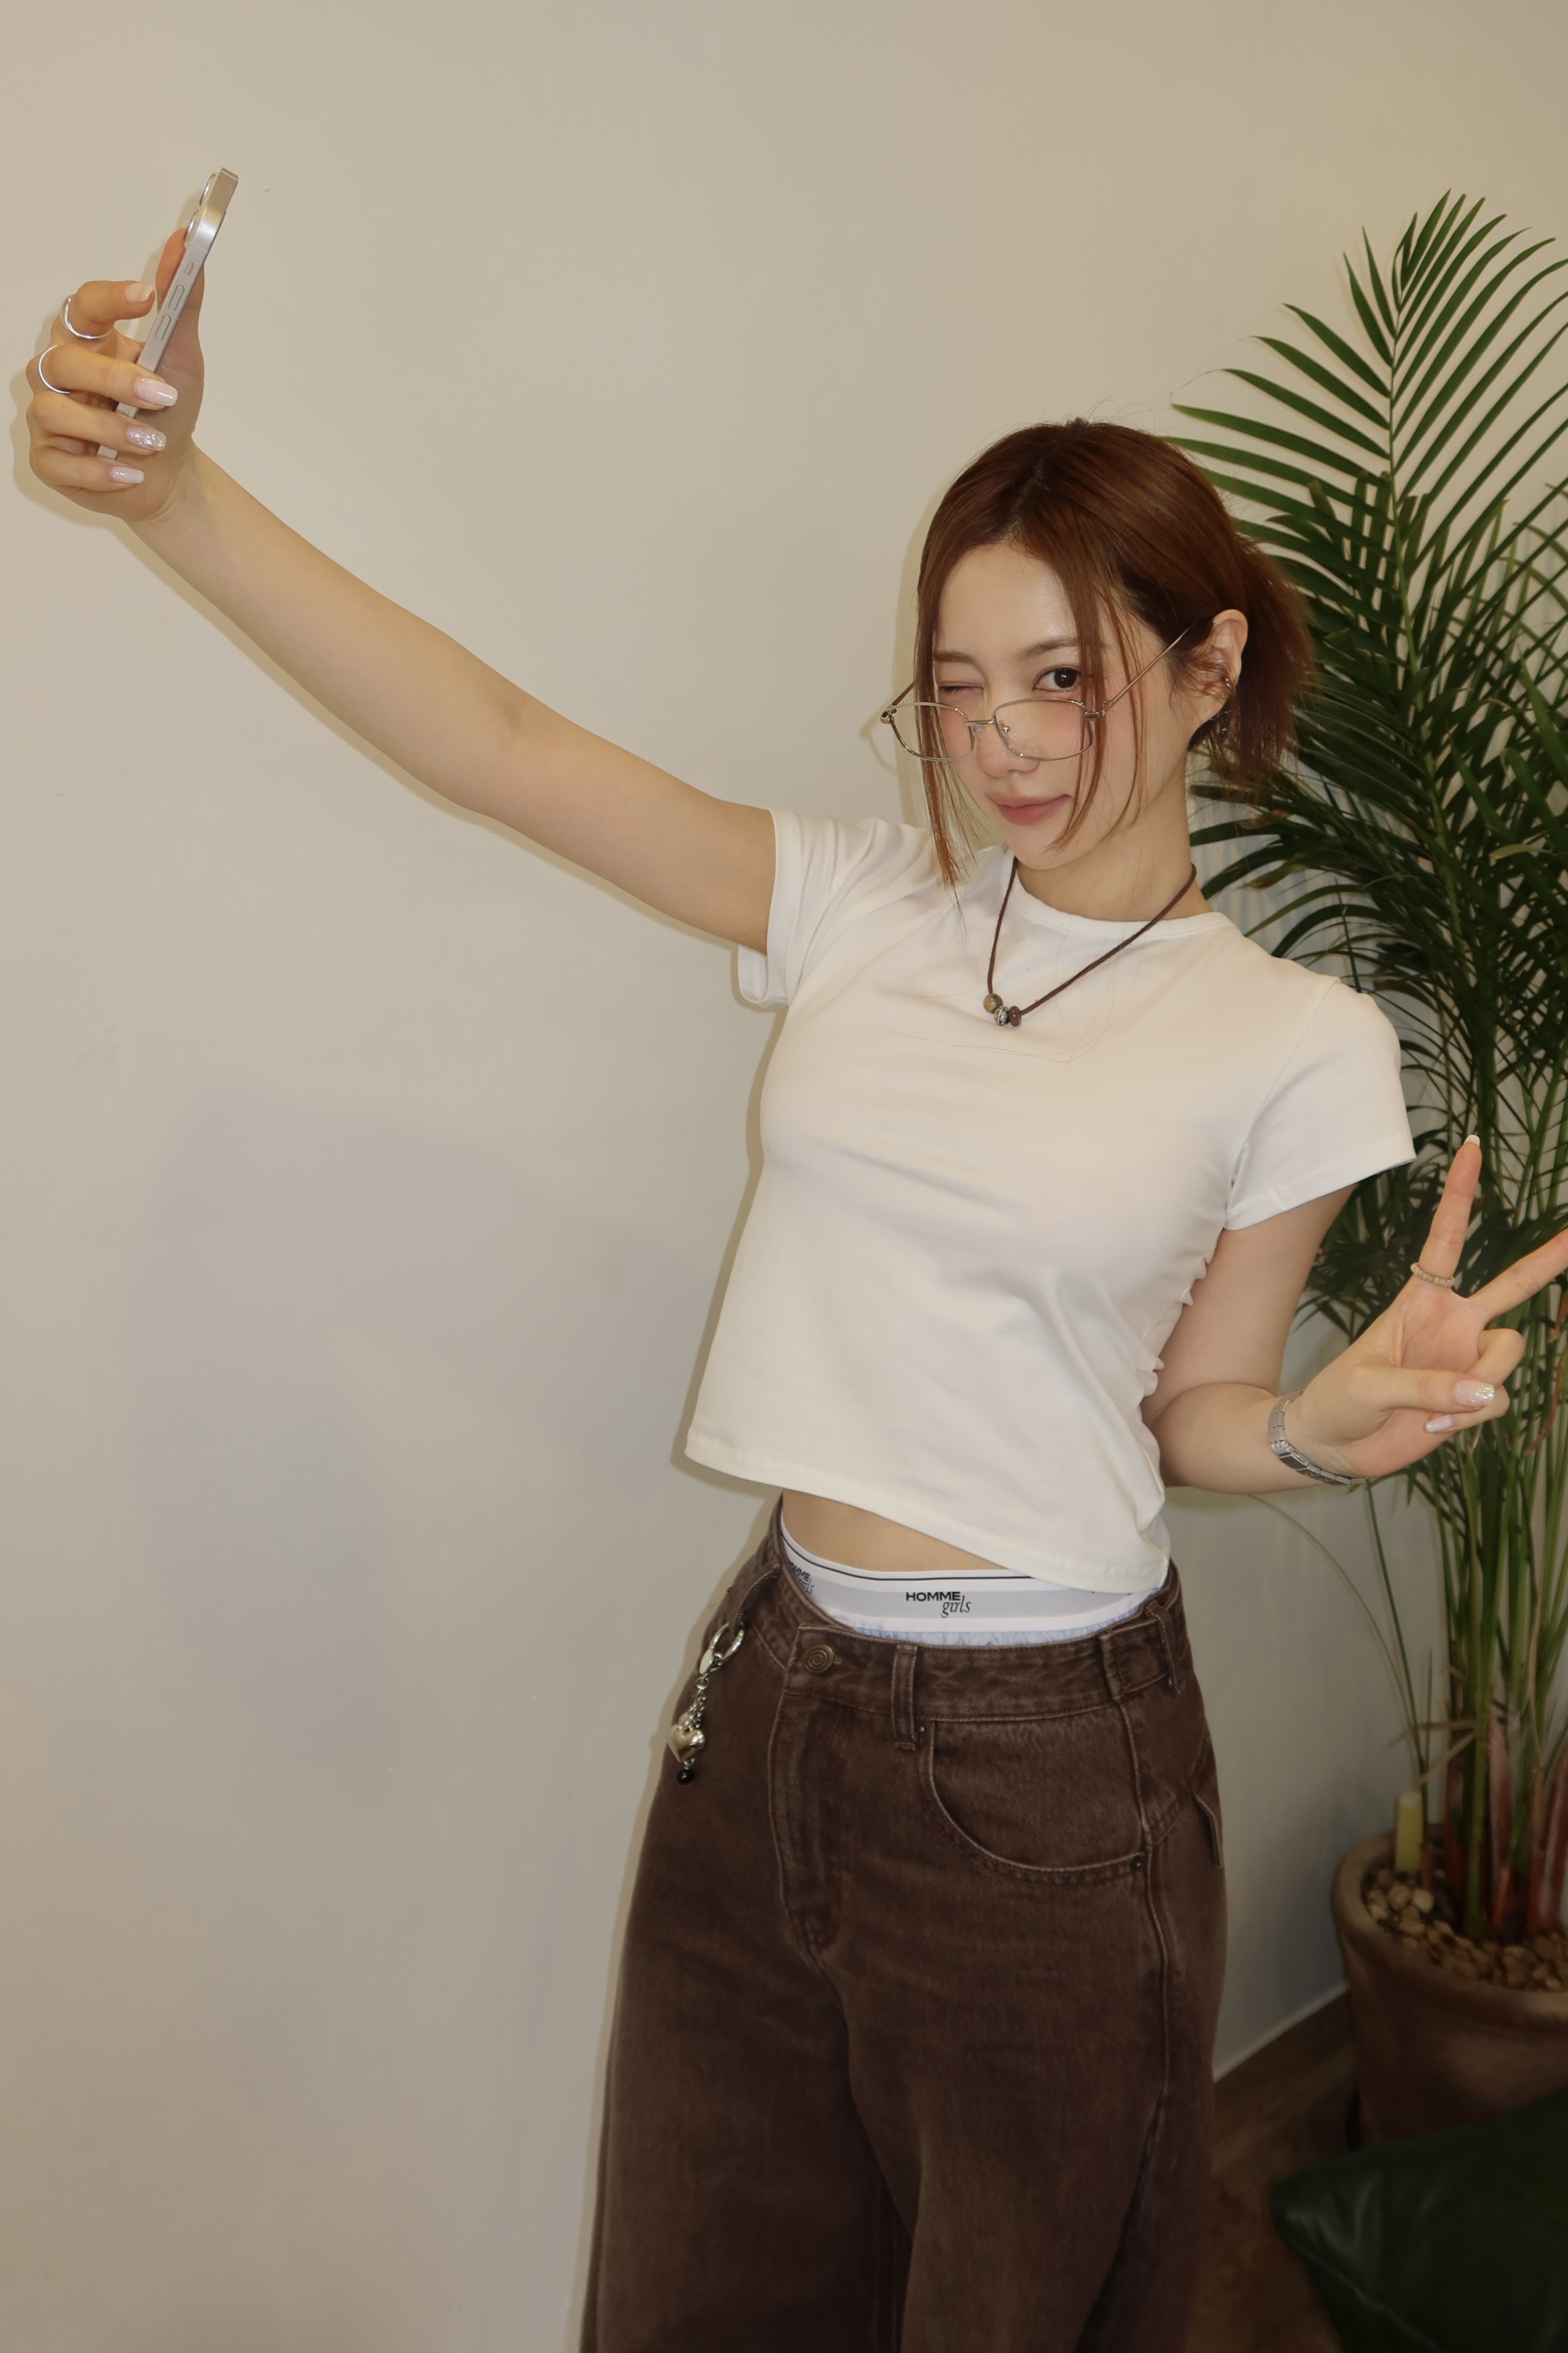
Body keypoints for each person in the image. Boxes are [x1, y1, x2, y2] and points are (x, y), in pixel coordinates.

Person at [25, 239, 1568, 2353]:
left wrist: (1318, 1425)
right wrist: (181, 491)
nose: (1002, 740)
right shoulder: (871, 905)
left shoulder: (1293, 1037)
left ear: (1209, 666)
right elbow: (501, 744)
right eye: (960, 682)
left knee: (1012, 2314)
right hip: (774, 1694)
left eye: (1065, 677)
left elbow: (1195, 1412)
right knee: (694, 2295)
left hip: (1050, 1768)